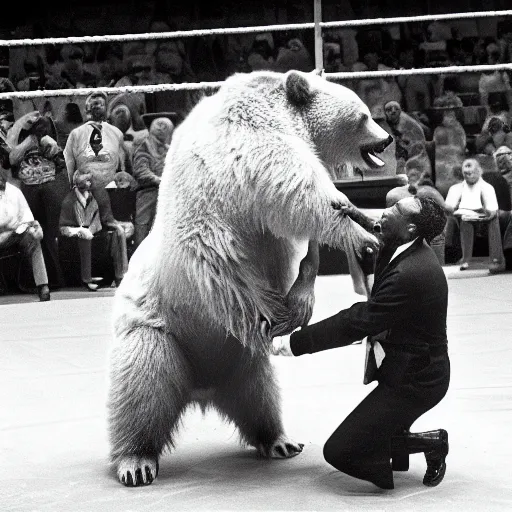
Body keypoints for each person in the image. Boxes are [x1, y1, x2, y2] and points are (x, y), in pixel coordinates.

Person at [271, 196, 450, 490]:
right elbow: (380, 226)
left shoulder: (412, 273)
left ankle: (433, 443)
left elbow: (355, 322)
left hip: (419, 380)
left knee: (342, 451)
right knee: (372, 432)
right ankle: (392, 439)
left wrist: (291, 344)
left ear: (411, 228)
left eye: (395, 210)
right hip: (402, 366)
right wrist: (355, 214)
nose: (385, 212)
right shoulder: (407, 242)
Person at [7, 111, 68, 289]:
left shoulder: (50, 140)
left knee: (49, 235)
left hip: (50, 186)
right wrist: (25, 135)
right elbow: (11, 159)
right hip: (27, 188)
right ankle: (32, 281)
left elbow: (61, 163)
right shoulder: (19, 138)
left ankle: (55, 280)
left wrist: (53, 147)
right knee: (31, 232)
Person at [64, 91, 132, 232]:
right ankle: (106, 220)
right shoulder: (76, 134)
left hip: (112, 182)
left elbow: (126, 161)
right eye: (94, 103)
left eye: (101, 103)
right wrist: (72, 184)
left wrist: (126, 174)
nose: (97, 105)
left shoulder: (116, 133)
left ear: (106, 108)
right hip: (85, 182)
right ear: (87, 108)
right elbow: (68, 163)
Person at [59, 171, 128, 290]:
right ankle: (86, 279)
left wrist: (91, 230)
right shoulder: (69, 201)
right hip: (71, 229)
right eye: (86, 181)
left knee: (106, 235)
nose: (89, 183)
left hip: (89, 228)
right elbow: (63, 227)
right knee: (84, 238)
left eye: (89, 181)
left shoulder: (91, 197)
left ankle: (118, 276)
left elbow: (96, 218)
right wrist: (78, 230)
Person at [445, 158, 506, 273]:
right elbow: (448, 208)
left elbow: (493, 210)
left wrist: (485, 212)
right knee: (464, 221)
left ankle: (496, 259)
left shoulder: (487, 187)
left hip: (485, 218)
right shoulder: (455, 189)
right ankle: (465, 259)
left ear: (479, 171)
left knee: (495, 220)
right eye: (466, 172)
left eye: (471, 170)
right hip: (462, 219)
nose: (468, 175)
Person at [0, 172, 50, 301]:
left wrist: (33, 227)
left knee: (34, 239)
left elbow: (27, 216)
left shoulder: (15, 192)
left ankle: (43, 286)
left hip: (15, 233)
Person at [132, 113, 175, 247]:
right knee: (143, 226)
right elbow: (141, 171)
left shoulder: (170, 150)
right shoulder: (144, 146)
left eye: (165, 126)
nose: (162, 128)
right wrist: (159, 180)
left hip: (166, 195)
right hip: (147, 193)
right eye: (159, 125)